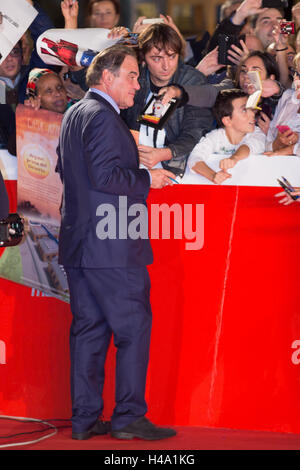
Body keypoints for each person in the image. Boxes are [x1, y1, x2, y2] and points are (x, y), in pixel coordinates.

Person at [56, 43, 177, 441]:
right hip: (112, 244)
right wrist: (148, 179)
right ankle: (127, 417)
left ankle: (85, 420)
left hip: (80, 242)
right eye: (132, 75)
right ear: (106, 77)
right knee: (133, 328)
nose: (137, 84)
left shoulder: (75, 113)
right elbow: (106, 178)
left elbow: (67, 169)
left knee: (89, 331)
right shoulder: (105, 118)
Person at [122, 23, 214, 178]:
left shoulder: (193, 80)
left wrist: (164, 154)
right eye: (157, 58)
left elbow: (196, 132)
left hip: (176, 167)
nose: (166, 66)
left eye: (172, 57)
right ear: (143, 58)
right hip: (134, 163)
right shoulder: (135, 77)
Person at [188, 89, 266, 184]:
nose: (253, 114)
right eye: (244, 110)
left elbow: (250, 146)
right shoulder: (215, 137)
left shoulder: (257, 133)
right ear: (227, 121)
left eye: (251, 109)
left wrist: (234, 158)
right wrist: (213, 176)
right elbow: (194, 159)